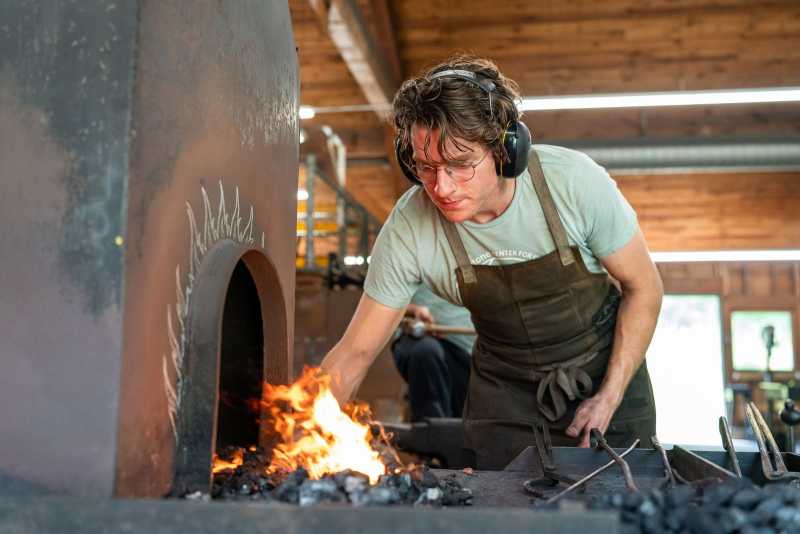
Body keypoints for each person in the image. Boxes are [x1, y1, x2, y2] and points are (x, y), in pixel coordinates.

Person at [322, 56, 663, 468]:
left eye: (460, 165)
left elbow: (645, 288)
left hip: (606, 383)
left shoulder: (572, 184)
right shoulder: (410, 227)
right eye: (425, 167)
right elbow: (355, 353)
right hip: (505, 399)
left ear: (505, 150)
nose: (441, 188)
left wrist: (609, 395)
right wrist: (302, 434)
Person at [392, 285, 474, 421]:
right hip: (423, 337)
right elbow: (384, 301)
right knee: (426, 352)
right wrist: (414, 309)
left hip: (473, 349)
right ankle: (433, 434)